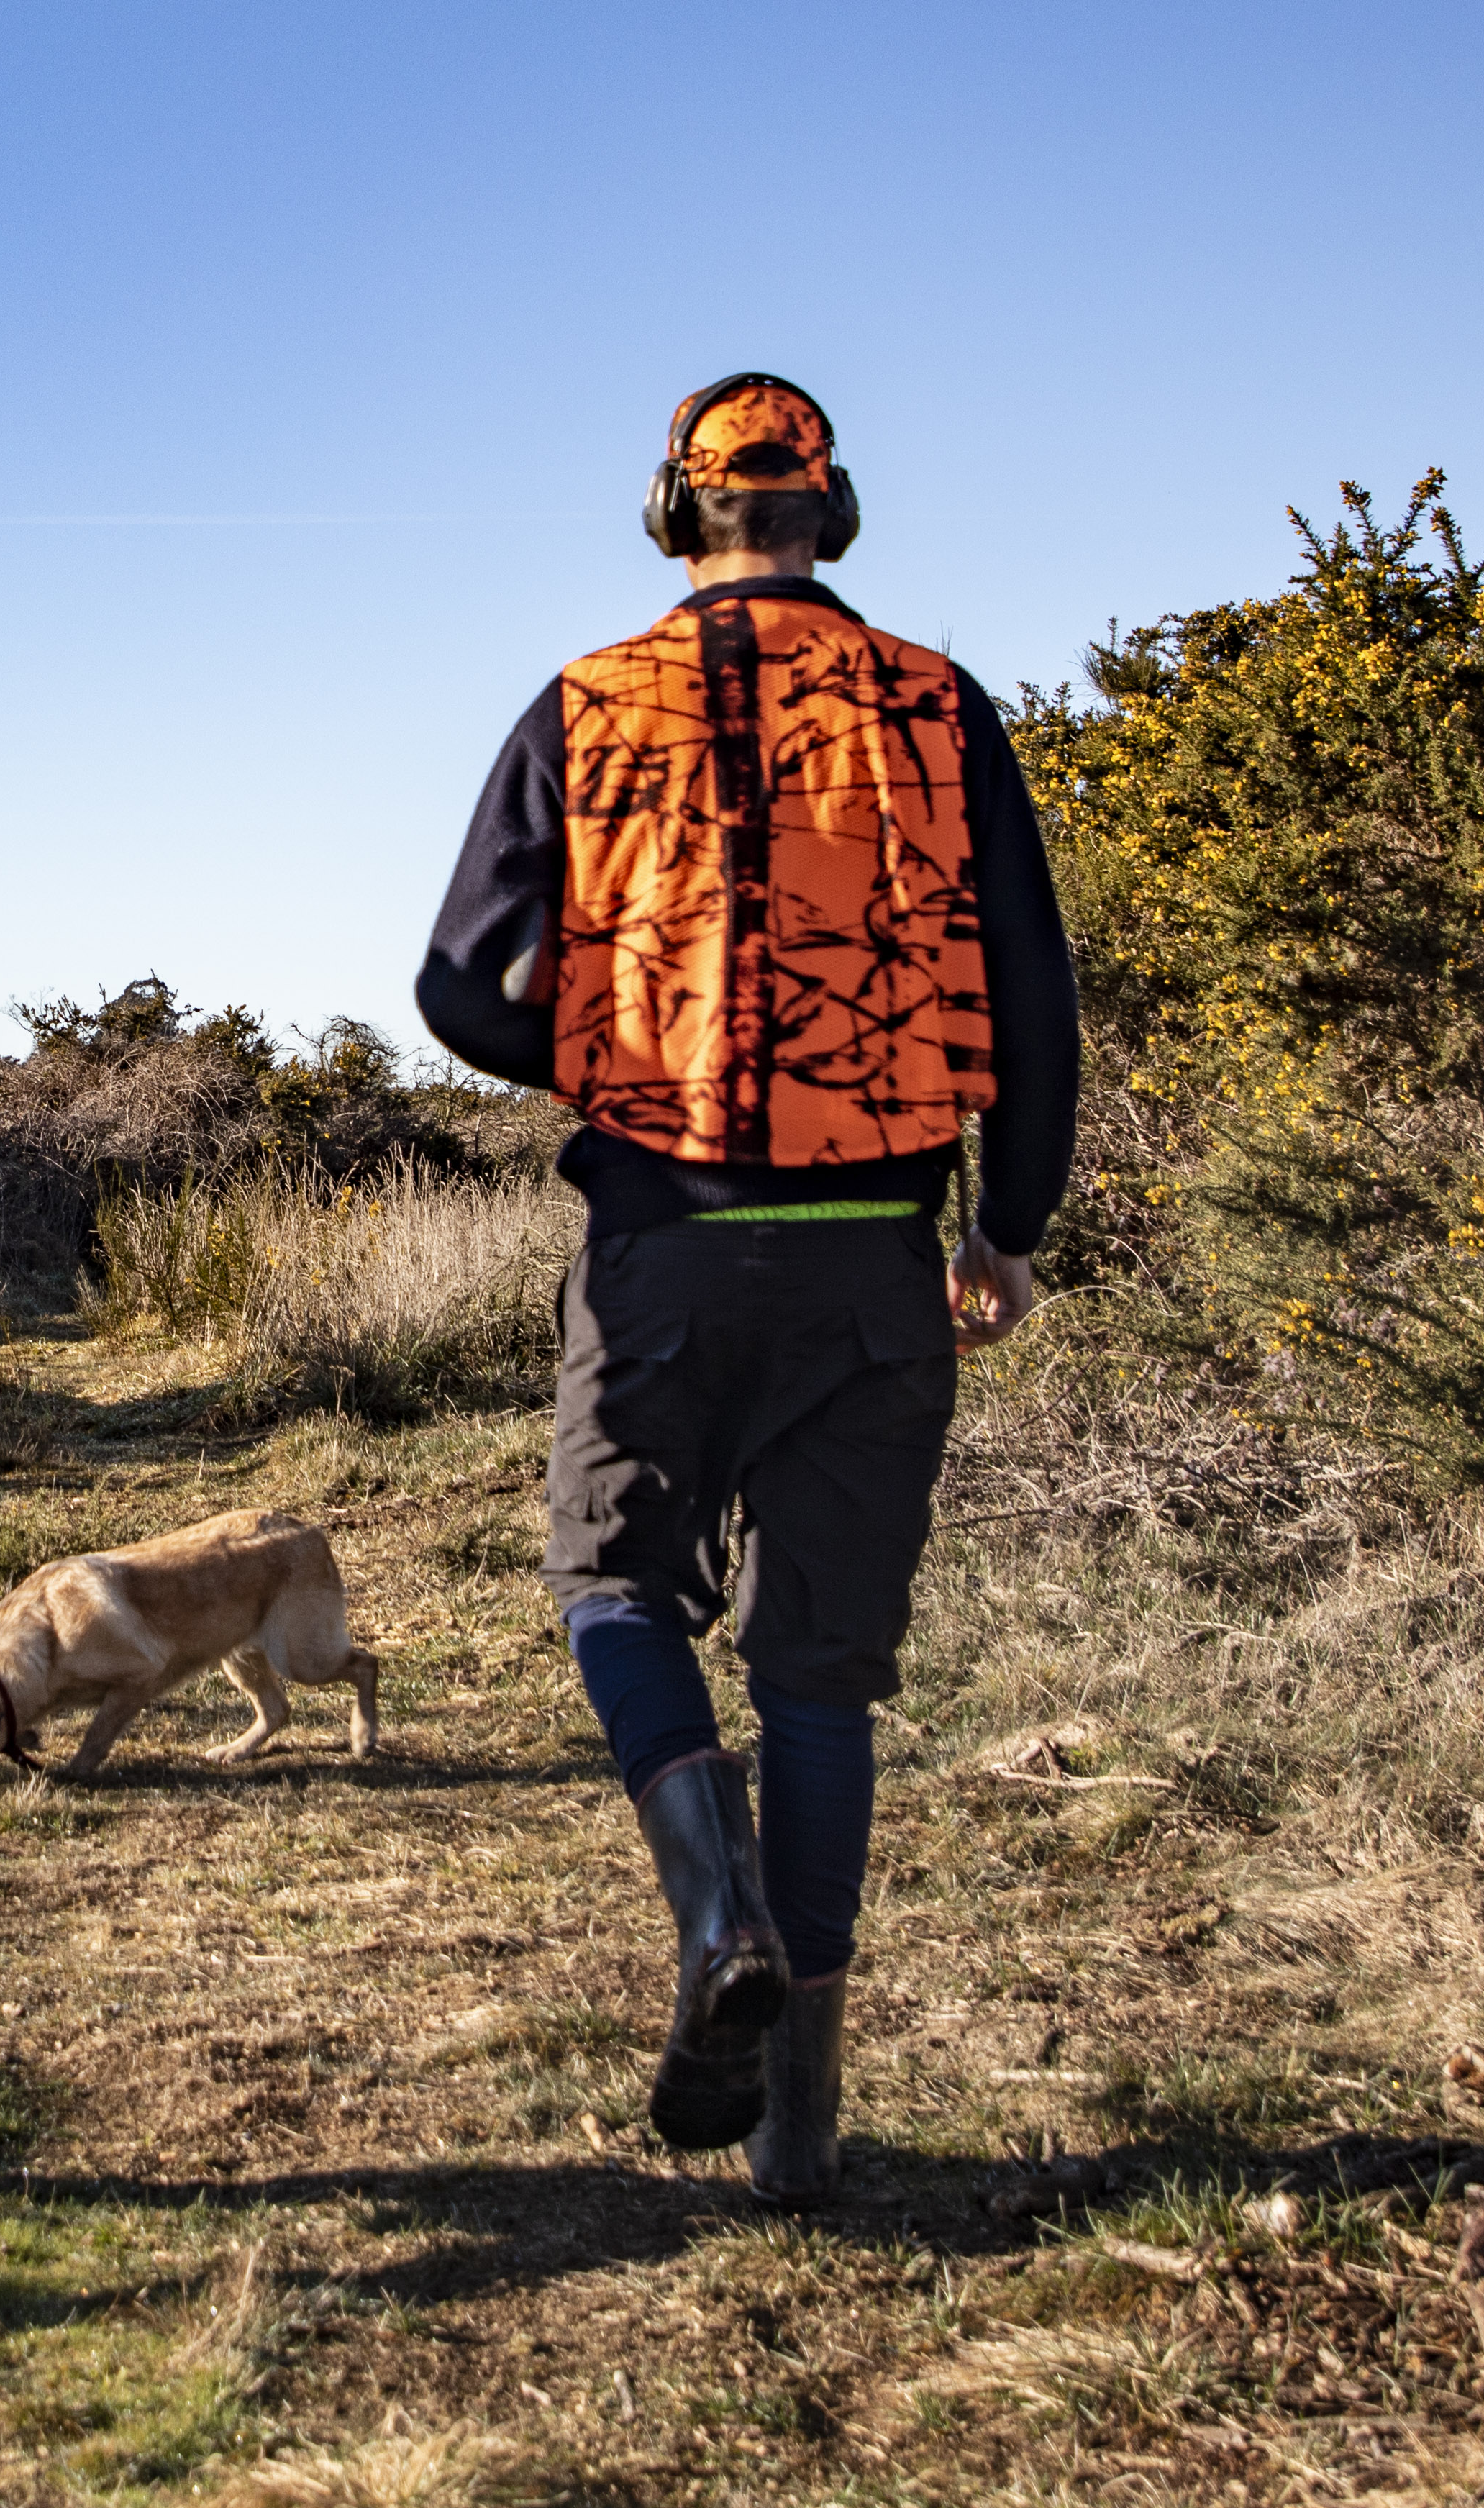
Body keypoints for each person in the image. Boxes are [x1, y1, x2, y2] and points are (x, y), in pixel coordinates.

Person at [413, 377, 1077, 2206]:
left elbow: (456, 991)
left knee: (610, 1580)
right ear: (828, 512)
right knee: (820, 1682)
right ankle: (799, 2133)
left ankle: (712, 1911)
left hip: (663, 1245)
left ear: (671, 515)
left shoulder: (585, 703)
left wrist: (626, 1056)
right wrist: (1002, 1226)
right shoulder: (941, 705)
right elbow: (1029, 994)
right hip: (874, 1255)